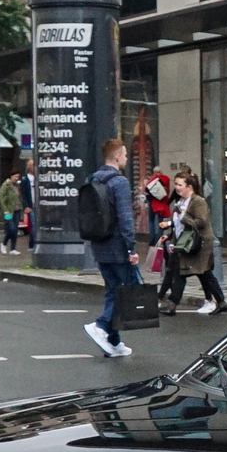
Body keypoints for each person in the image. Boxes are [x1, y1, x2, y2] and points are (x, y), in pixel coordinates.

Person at [81, 138, 138, 358]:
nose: (125, 158)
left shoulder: (93, 178)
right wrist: (131, 249)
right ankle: (102, 326)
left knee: (112, 292)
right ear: (117, 156)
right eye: (124, 154)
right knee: (124, 292)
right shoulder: (119, 182)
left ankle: (113, 342)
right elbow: (125, 219)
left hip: (99, 244)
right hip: (117, 246)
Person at [161, 172, 227, 314]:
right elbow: (177, 226)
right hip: (185, 244)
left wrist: (183, 217)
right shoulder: (180, 202)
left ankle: (172, 305)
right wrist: (171, 238)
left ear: (189, 187)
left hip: (198, 246)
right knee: (193, 274)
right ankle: (220, 302)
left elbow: (202, 222)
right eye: (176, 184)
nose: (177, 188)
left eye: (180, 185)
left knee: (198, 274)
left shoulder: (198, 201)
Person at [0, 171, 23, 255]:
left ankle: (13, 248)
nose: (16, 178)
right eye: (15, 176)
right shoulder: (5, 186)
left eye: (18, 177)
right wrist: (5, 210)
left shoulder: (17, 186)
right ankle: (4, 243)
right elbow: (2, 199)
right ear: (11, 176)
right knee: (11, 228)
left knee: (15, 230)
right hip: (8, 211)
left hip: (17, 210)